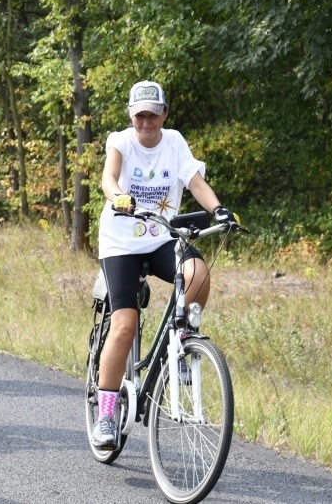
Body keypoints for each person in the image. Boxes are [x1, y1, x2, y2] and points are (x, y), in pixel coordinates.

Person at [91, 80, 238, 449]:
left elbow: (195, 182)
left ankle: (182, 345)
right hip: (122, 242)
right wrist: (118, 196)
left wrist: (218, 210)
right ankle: (106, 414)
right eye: (139, 115)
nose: (146, 122)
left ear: (164, 114)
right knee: (125, 326)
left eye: (152, 115)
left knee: (197, 273)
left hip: (160, 235)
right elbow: (108, 177)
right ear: (131, 116)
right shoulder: (120, 141)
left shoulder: (174, 142)